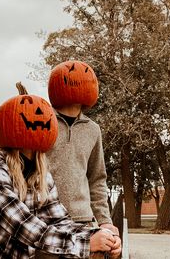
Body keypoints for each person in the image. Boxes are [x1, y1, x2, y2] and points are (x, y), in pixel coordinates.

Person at [0, 93, 121, 258]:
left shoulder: (41, 174)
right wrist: (86, 243)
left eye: (43, 113)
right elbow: (23, 227)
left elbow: (59, 221)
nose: (38, 115)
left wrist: (100, 235)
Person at [46, 60, 121, 256]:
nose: (77, 78)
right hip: (48, 220)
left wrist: (105, 221)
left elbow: (97, 178)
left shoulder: (93, 129)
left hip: (83, 220)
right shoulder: (41, 123)